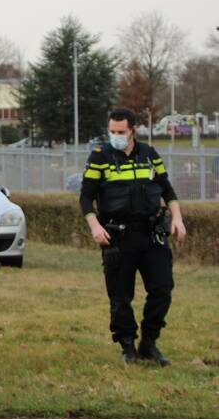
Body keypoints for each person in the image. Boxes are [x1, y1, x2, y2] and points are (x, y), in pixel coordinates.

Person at [80, 108, 186, 366]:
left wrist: (178, 218)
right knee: (120, 296)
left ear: (133, 131)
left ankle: (149, 342)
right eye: (112, 131)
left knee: (162, 289)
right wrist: (95, 226)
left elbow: (167, 190)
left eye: (121, 132)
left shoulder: (149, 155)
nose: (115, 136)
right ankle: (127, 345)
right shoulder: (100, 157)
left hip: (151, 235)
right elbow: (85, 198)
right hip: (118, 237)